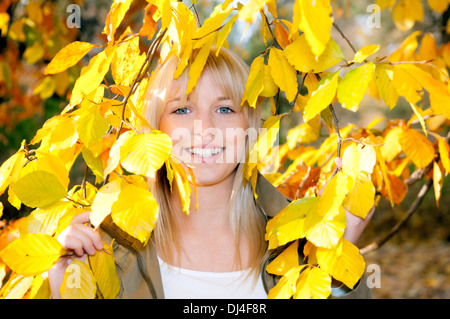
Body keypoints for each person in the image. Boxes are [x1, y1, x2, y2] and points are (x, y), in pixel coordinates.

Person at [49, 47, 373, 299]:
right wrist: (59, 287)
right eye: (182, 109)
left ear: (250, 125)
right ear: (154, 128)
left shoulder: (299, 239)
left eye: (224, 109)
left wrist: (336, 256)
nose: (205, 129)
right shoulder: (107, 247)